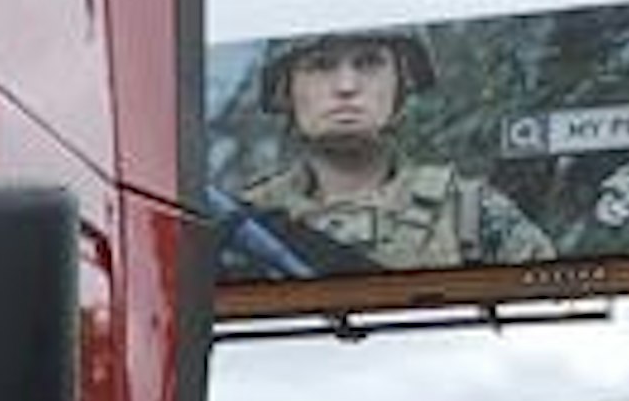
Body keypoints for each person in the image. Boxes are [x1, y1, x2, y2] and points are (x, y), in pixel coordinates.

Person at [237, 31, 554, 270]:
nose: (346, 86)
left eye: (369, 63)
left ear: (402, 82)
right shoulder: (240, 221)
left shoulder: (471, 212)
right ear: (285, 89)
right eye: (320, 65)